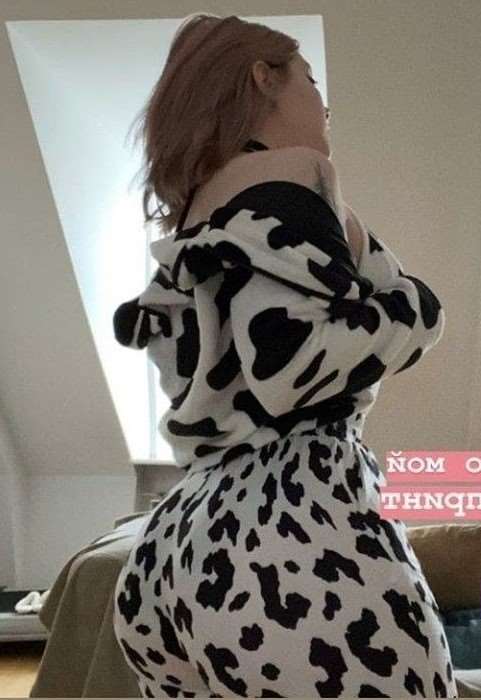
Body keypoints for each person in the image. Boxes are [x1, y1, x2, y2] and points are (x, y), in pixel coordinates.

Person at [112, 13, 456, 698]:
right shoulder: (288, 184)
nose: (324, 103)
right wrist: (415, 307)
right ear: (262, 78)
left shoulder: (197, 216)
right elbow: (291, 368)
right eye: (311, 80)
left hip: (177, 543)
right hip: (293, 530)